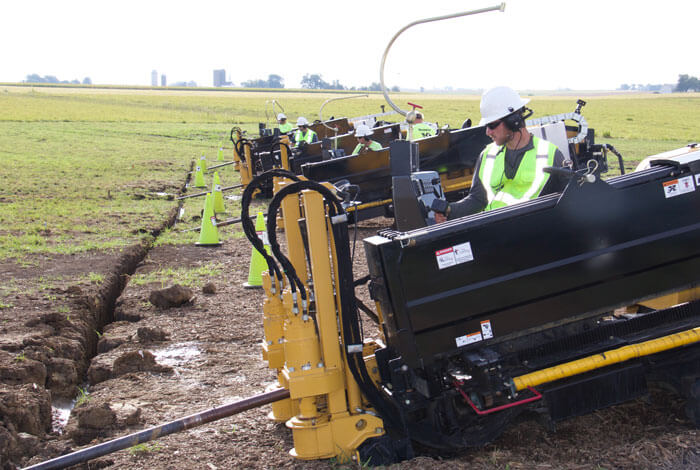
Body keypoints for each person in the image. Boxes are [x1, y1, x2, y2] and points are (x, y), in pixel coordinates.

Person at [434, 86, 568, 222]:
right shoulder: (487, 155)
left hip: (531, 233)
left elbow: (567, 203)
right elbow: (478, 200)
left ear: (513, 121)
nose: (488, 132)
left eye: (492, 125)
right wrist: (449, 210)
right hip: (493, 232)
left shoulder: (550, 154)